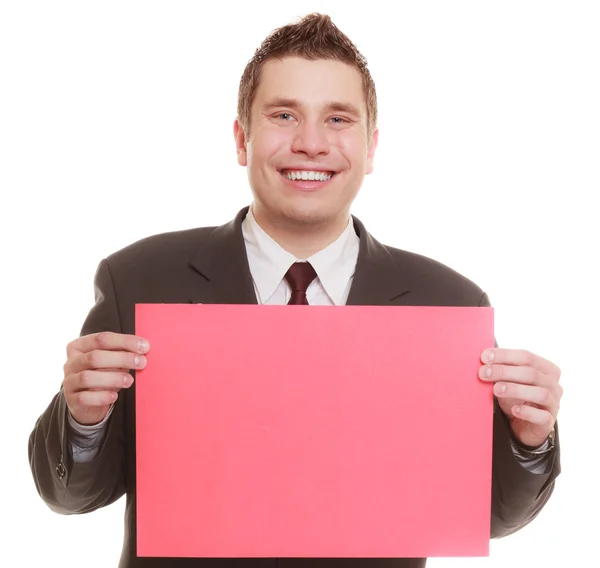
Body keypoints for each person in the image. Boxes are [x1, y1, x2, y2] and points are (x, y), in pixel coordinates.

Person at [28, 12, 562, 568]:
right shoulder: (139, 280)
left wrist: (529, 440)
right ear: (242, 137)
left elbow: (486, 516)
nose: (311, 143)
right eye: (284, 115)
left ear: (371, 147)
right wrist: (82, 417)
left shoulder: (449, 305)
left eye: (337, 118)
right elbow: (70, 495)